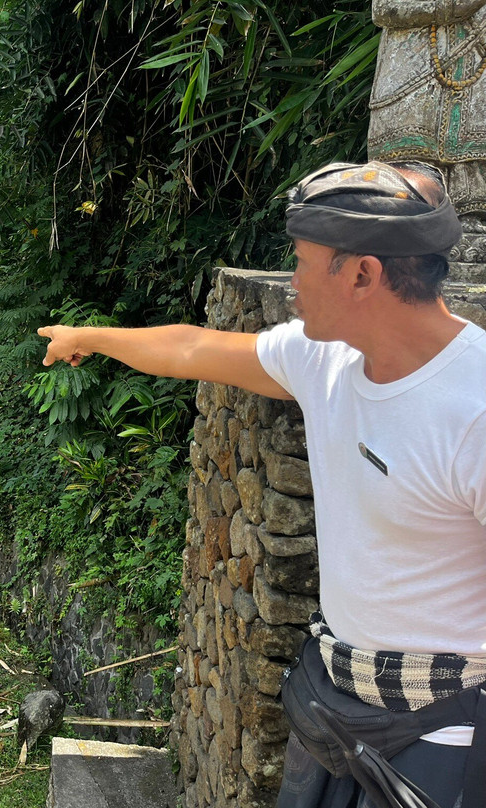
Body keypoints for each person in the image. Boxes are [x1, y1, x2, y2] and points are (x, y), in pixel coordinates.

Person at [39, 160, 486, 807]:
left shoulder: (472, 405)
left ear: (362, 273)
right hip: (337, 704)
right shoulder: (325, 359)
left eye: (303, 262)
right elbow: (192, 349)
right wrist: (93, 336)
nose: (294, 282)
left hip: (444, 736)